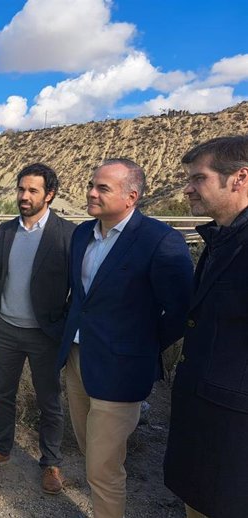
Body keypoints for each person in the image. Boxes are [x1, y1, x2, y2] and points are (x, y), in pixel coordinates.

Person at [57, 158, 194, 518]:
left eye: (102, 187)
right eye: (91, 184)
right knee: (91, 450)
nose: (90, 192)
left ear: (131, 196)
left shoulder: (161, 241)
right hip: (77, 359)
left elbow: (180, 312)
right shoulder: (82, 234)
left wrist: (141, 347)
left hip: (121, 371)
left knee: (102, 468)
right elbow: (80, 298)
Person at [0, 163, 75, 494]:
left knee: (49, 399)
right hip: (6, 330)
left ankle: (51, 462)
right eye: (21, 189)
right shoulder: (5, 231)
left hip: (45, 335)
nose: (24, 196)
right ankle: (2, 449)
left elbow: (79, 287)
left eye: (32, 190)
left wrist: (61, 324)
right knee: (3, 394)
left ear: (50, 194)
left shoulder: (67, 234)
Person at [164, 136, 248, 518]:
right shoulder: (220, 239)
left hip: (235, 440)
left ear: (239, 178)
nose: (187, 188)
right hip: (209, 427)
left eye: (198, 178)